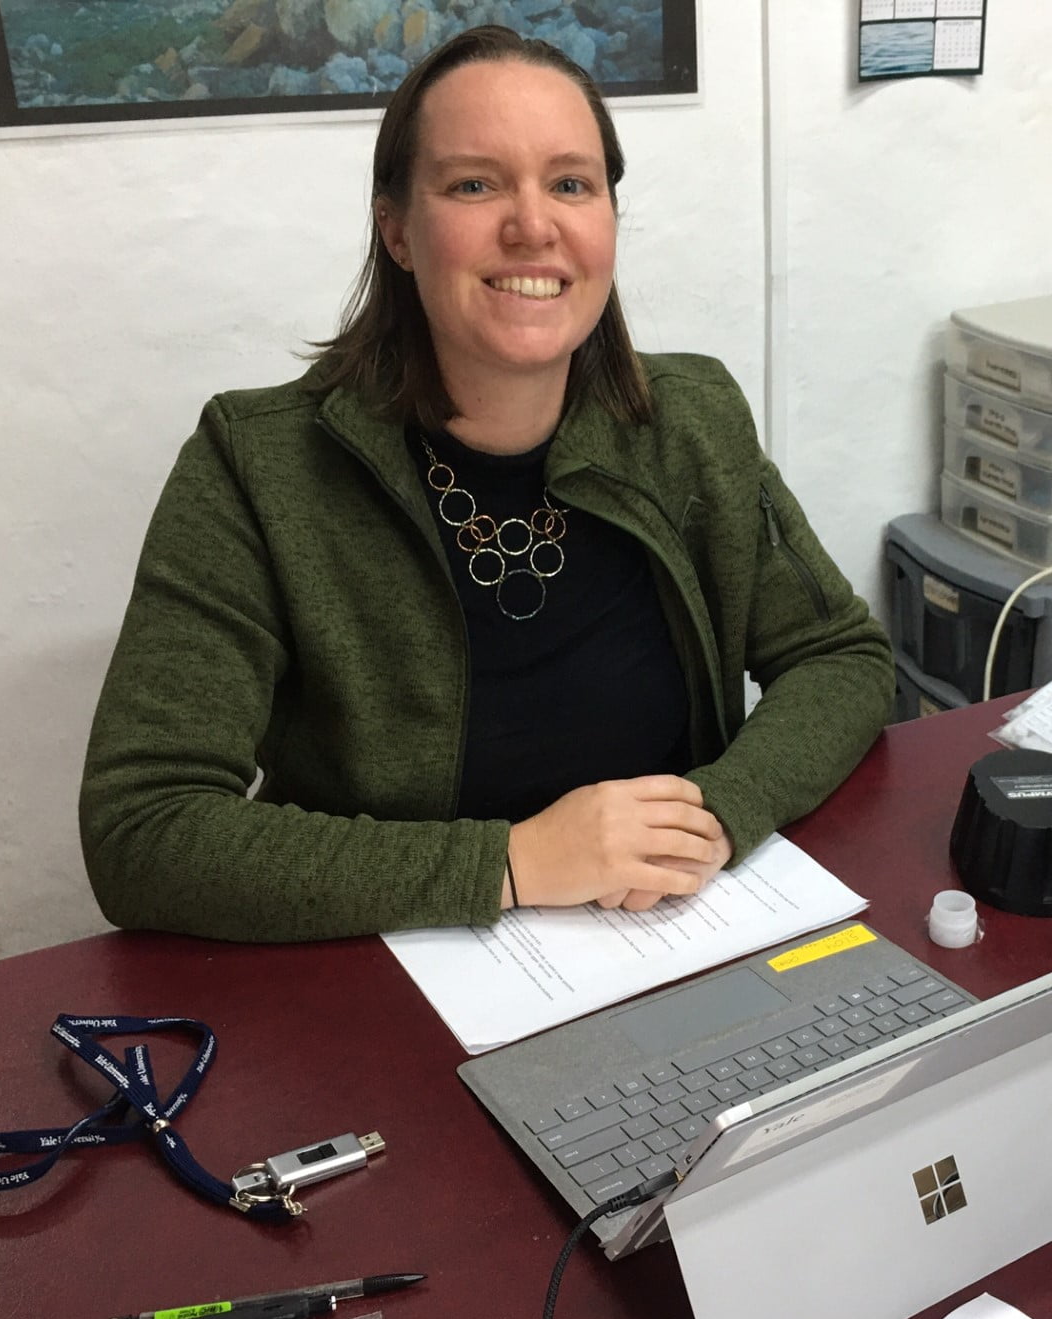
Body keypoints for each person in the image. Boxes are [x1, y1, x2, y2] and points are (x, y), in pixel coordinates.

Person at [79, 26, 893, 943]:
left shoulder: (693, 421)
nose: (533, 226)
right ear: (397, 230)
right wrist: (514, 863)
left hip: (673, 935)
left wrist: (716, 811)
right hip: (397, 966)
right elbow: (142, 830)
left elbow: (841, 658)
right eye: (475, 185)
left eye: (571, 184)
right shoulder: (255, 467)